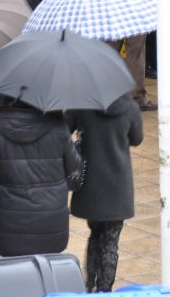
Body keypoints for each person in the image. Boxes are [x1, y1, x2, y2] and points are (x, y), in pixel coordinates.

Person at [0, 98, 83, 257]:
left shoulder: (0, 126)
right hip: (51, 221)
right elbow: (74, 166)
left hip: (10, 222)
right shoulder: (59, 126)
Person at [65, 92, 143, 292]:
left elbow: (64, 130)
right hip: (118, 185)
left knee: (95, 234)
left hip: (91, 184)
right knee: (110, 242)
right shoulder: (129, 106)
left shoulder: (82, 103)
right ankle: (105, 290)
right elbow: (137, 138)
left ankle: (89, 286)